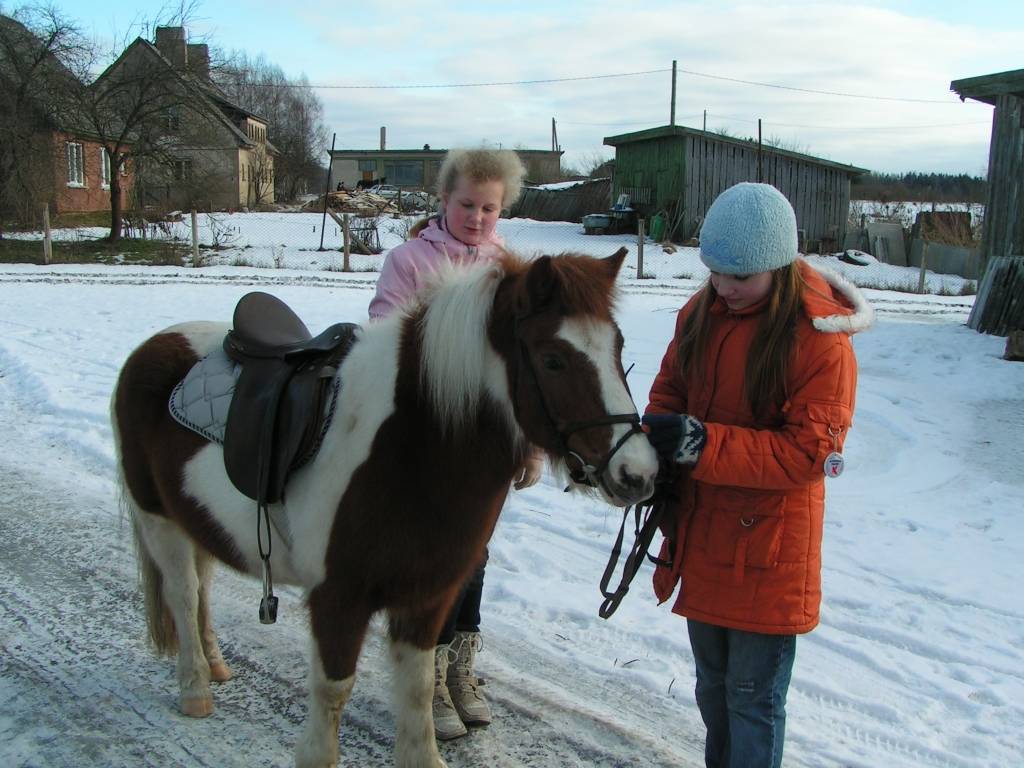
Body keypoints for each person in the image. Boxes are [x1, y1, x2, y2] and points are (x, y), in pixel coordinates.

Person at [641, 182, 873, 768]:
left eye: (739, 276)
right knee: (712, 693)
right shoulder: (702, 312)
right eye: (715, 272)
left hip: (766, 550)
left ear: (777, 263)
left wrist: (701, 442)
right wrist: (660, 437)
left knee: (752, 702)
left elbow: (808, 453)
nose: (723, 286)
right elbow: (670, 387)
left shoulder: (821, 341)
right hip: (700, 535)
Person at [367, 147, 544, 740]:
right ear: (444, 200)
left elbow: (524, 370)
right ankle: (430, 675)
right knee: (433, 561)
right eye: (466, 204)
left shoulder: (508, 268)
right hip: (424, 441)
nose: (476, 217)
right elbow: (384, 340)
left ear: (502, 210)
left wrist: (533, 444)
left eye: (488, 208)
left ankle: (459, 670)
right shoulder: (410, 262)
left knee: (474, 557)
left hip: (485, 452)